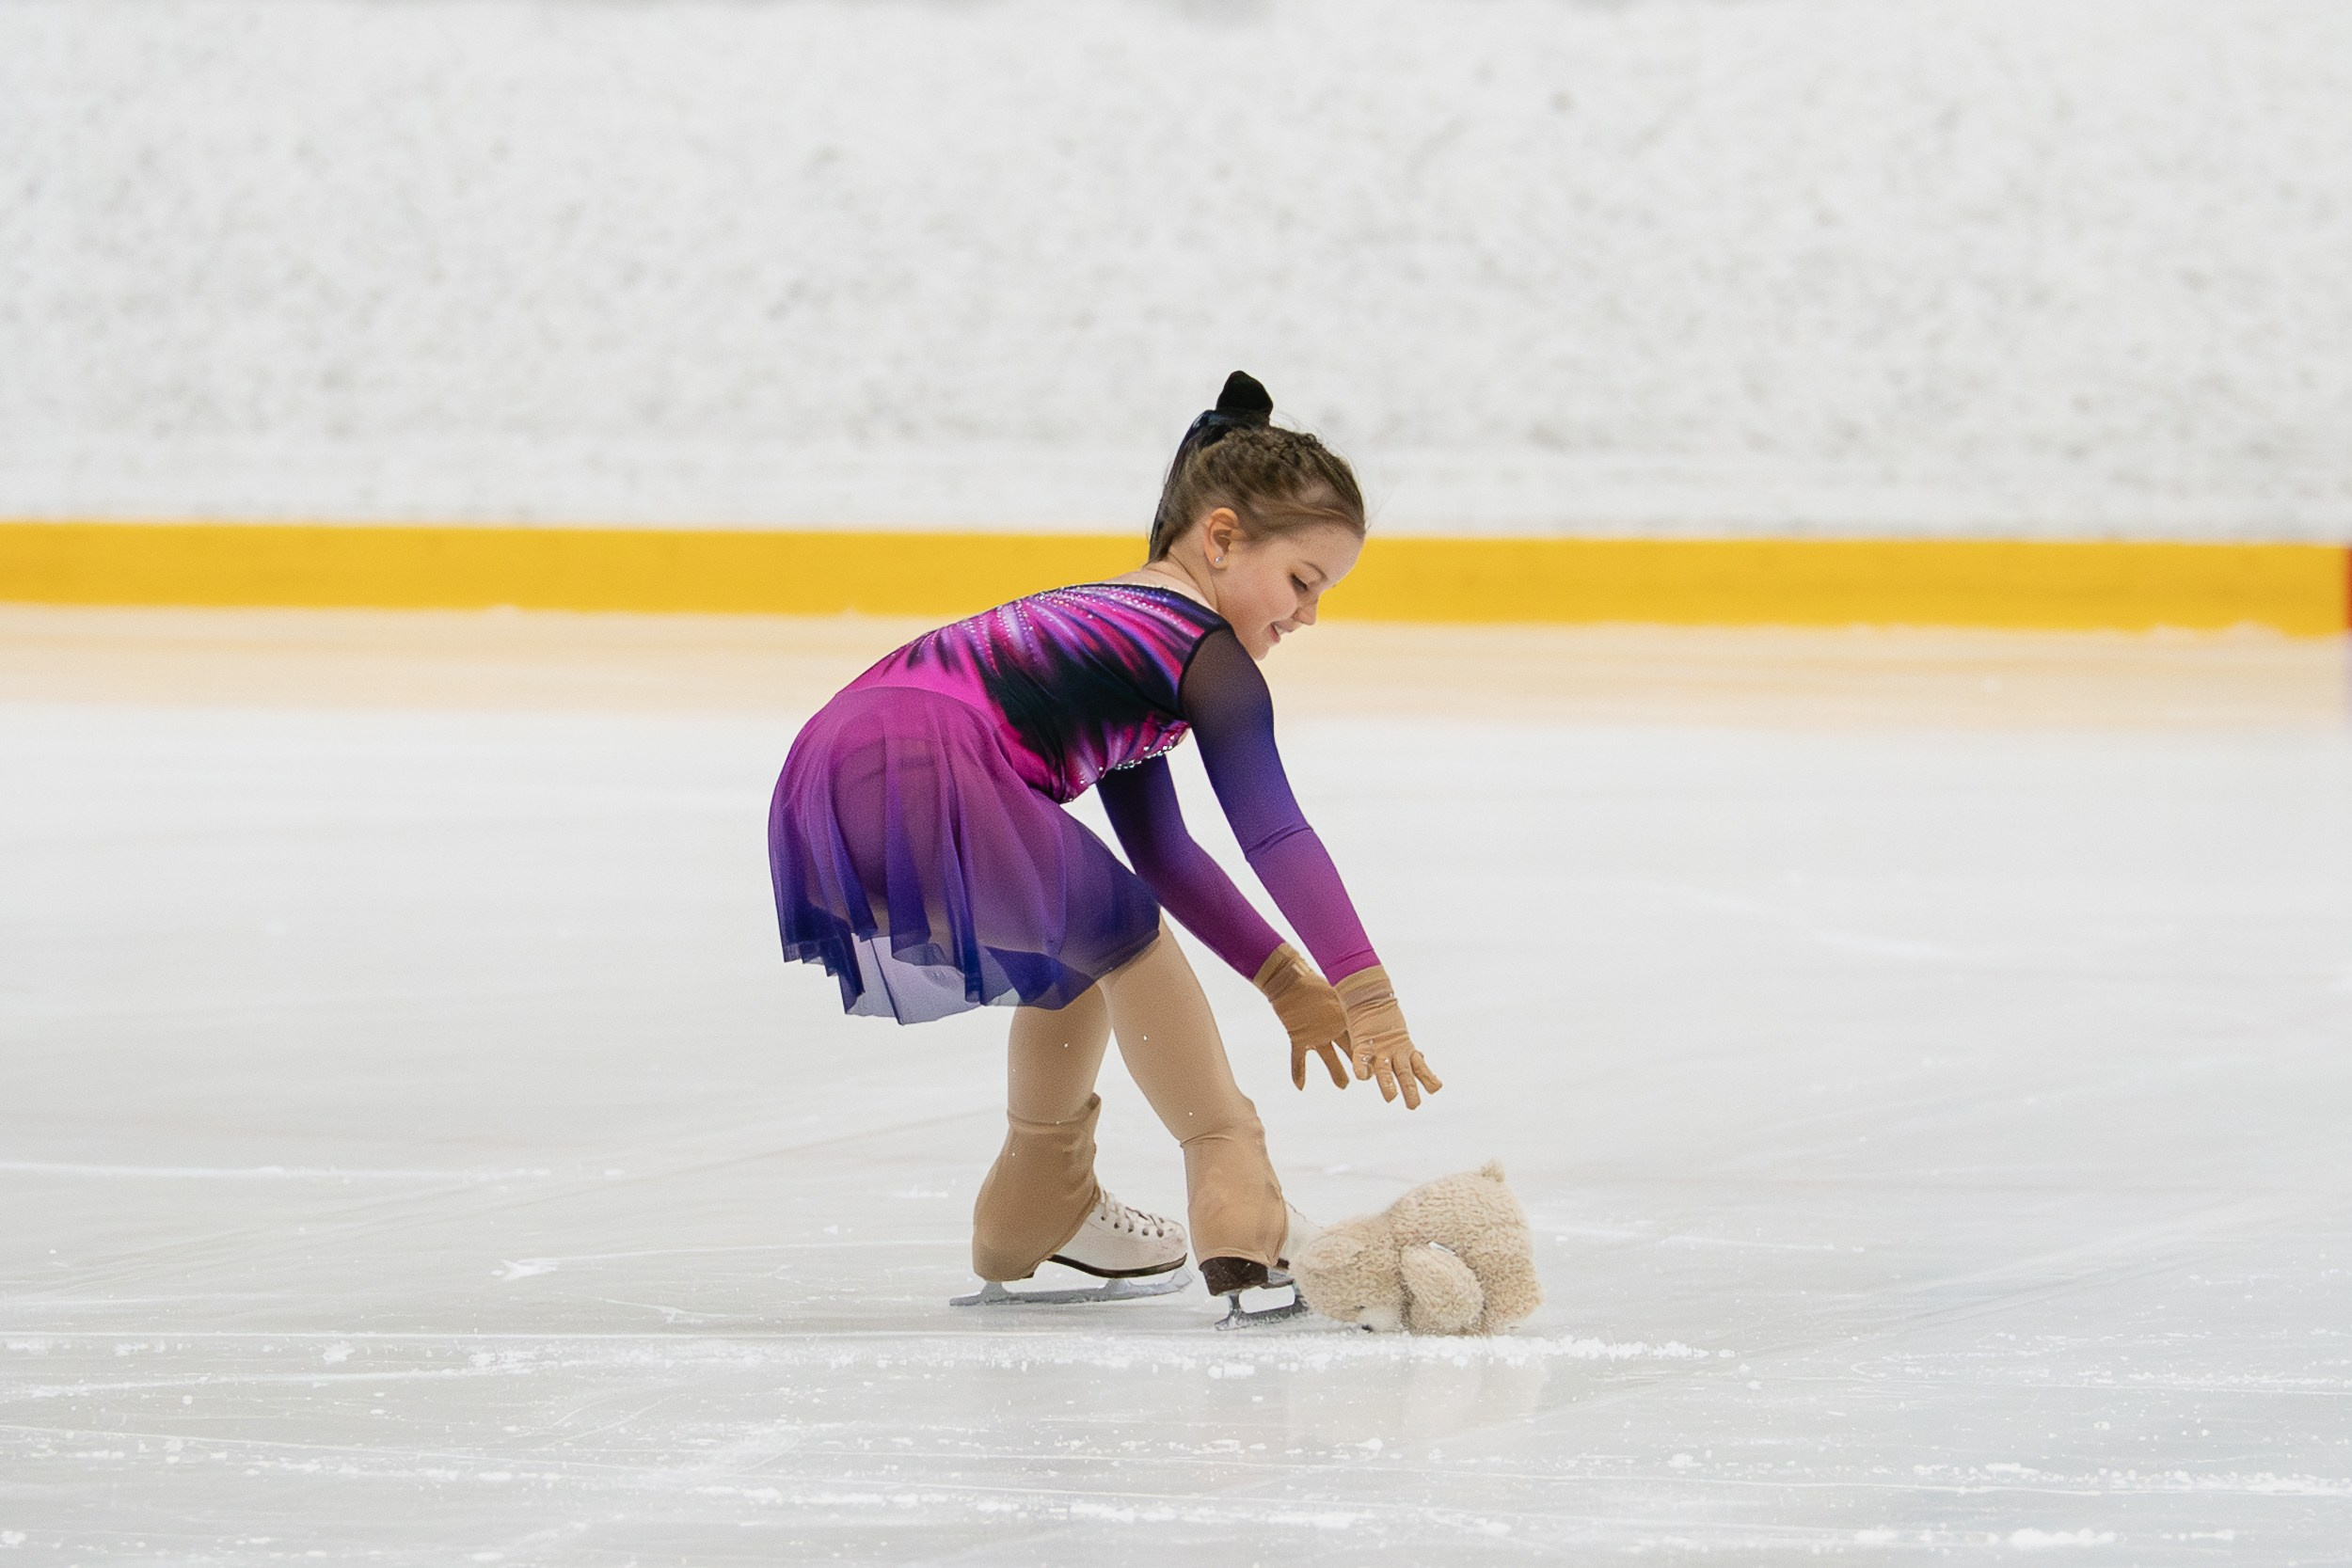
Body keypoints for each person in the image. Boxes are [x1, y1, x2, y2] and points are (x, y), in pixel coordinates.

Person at [767, 372, 1441, 1317]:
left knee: (1080, 951)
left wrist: (1286, 980)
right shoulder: (1204, 651)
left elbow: (1165, 853)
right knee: (1125, 936)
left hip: (833, 763)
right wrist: (1367, 992)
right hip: (929, 759)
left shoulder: (1118, 632)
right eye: (1302, 581)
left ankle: (1034, 1205)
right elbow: (1273, 829)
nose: (1307, 615)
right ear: (1220, 538)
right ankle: (1236, 1190)